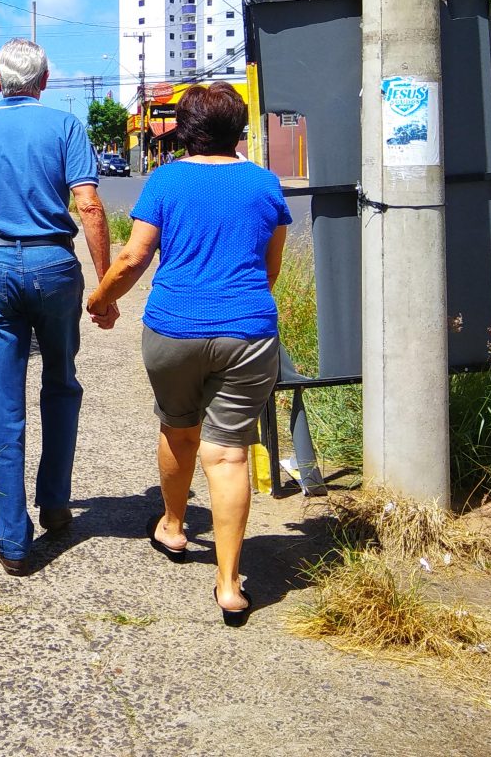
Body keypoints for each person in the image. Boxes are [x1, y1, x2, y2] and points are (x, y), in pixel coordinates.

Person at [84, 82, 289, 625]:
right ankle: (228, 585)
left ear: (183, 130)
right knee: (229, 455)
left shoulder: (167, 180)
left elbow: (132, 258)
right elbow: (269, 270)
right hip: (248, 333)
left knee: (179, 429)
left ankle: (173, 527)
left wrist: (101, 299)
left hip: (174, 330)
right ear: (239, 130)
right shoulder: (265, 185)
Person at [0, 39, 113, 577]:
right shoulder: (67, 128)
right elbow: (88, 204)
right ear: (43, 83)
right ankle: (57, 502)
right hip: (54, 265)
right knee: (61, 382)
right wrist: (105, 287)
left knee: (3, 403)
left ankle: (14, 542)